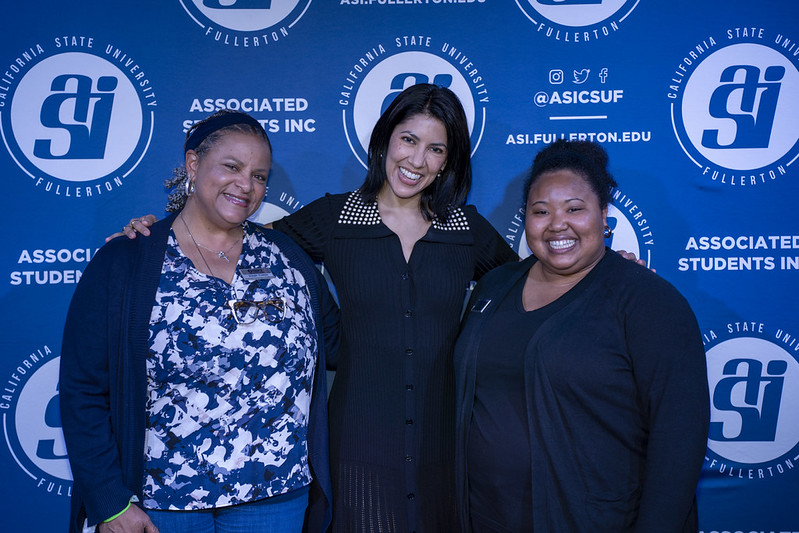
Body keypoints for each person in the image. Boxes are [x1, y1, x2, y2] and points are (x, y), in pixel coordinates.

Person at [116, 84, 519, 532]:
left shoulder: (465, 228)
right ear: (385, 138)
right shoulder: (337, 217)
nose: (417, 160)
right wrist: (159, 231)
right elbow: (233, 237)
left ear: (450, 159)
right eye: (408, 139)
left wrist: (601, 270)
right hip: (357, 448)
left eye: (435, 148)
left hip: (445, 447)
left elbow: (532, 285)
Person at [60, 110, 340, 533]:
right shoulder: (128, 259)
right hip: (161, 505)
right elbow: (82, 388)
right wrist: (109, 503)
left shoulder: (288, 258)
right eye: (232, 167)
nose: (246, 185)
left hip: (274, 501)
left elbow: (343, 345)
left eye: (260, 176)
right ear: (193, 164)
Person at [453, 139, 710, 532]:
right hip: (485, 516)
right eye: (541, 211)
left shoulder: (648, 303)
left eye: (575, 209)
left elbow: (679, 443)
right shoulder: (495, 285)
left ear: (604, 215)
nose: (557, 224)